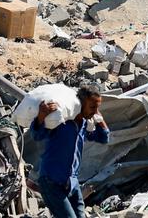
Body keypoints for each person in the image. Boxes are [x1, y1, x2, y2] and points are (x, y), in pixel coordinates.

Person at [31, 86, 111, 218]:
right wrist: (41, 116)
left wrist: (99, 119)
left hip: (72, 183)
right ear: (81, 103)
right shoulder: (61, 121)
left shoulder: (84, 124)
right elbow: (37, 135)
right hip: (51, 181)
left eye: (97, 107)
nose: (94, 111)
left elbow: (104, 137)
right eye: (92, 107)